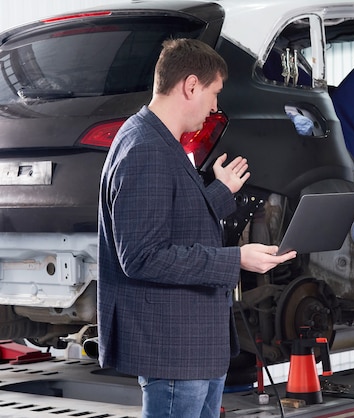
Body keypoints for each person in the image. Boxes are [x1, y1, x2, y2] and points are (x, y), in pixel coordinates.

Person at [97, 38, 296, 418]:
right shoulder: (144, 148)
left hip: (196, 345)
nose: (215, 106)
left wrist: (219, 193)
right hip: (174, 348)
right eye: (214, 93)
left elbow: (175, 220)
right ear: (190, 86)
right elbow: (142, 256)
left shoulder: (162, 142)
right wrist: (235, 259)